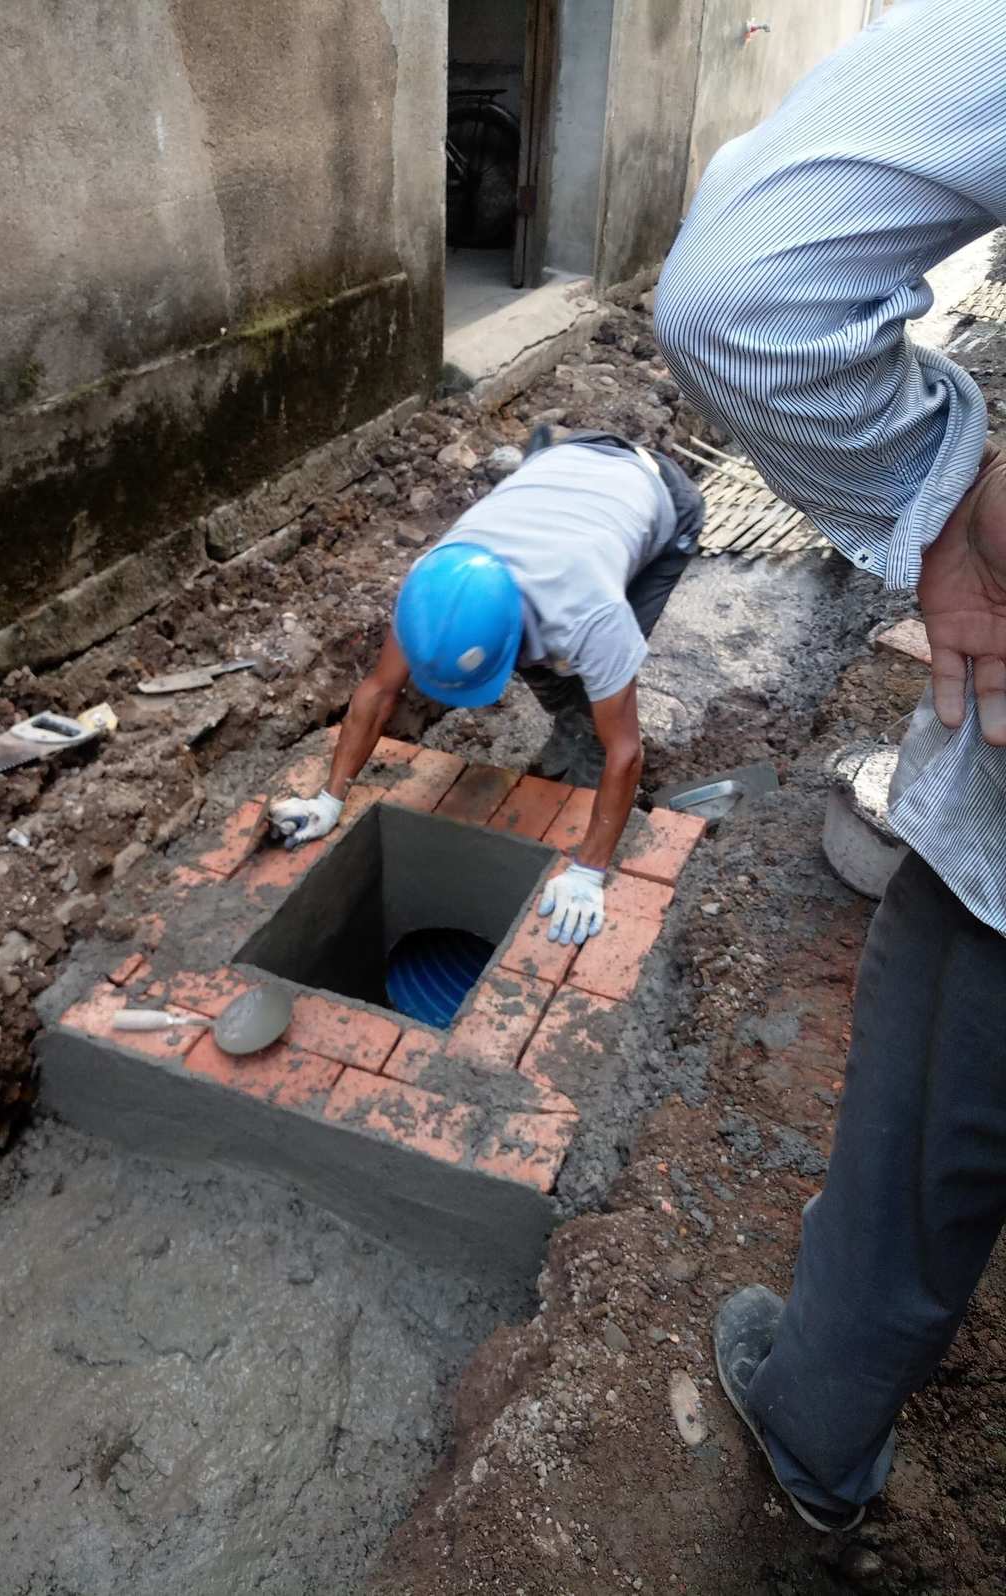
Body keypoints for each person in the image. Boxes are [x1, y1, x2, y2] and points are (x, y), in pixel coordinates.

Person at [654, 0, 1006, 1536]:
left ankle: (815, 1429)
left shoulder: (626, 530)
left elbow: (744, 295)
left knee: (924, 1143)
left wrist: (948, 504)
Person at [269, 428, 704, 945]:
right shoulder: (435, 589)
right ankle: (570, 722)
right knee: (554, 666)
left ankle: (579, 740)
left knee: (593, 701)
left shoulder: (591, 613)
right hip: (562, 463)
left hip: (660, 499)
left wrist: (590, 870)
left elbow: (626, 751)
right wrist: (329, 799)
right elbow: (379, 690)